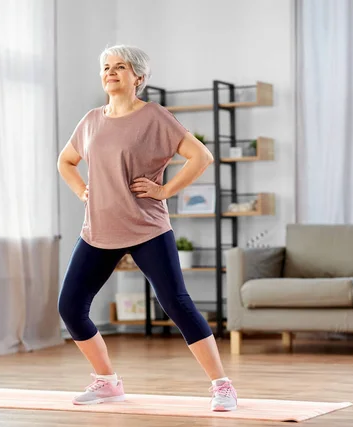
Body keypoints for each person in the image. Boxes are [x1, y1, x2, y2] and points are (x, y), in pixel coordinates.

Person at [57, 44, 237, 412]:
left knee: (176, 303)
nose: (110, 72)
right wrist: (81, 189)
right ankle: (107, 382)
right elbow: (66, 161)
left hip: (147, 228)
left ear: (138, 77)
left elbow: (201, 156)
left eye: (119, 66)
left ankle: (222, 386)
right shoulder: (91, 120)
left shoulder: (155, 116)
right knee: (71, 307)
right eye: (106, 66)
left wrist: (165, 190)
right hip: (99, 230)